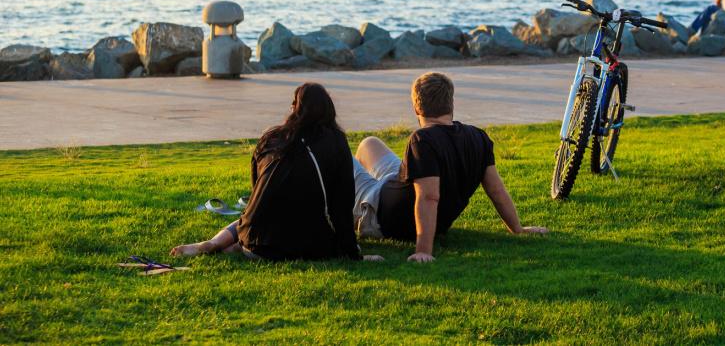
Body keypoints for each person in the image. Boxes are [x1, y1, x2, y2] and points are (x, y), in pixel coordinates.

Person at [352, 72, 547, 262]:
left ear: (416, 108)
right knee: (369, 143)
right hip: (394, 185)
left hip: (378, 212)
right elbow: (496, 190)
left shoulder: (422, 140)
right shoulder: (478, 137)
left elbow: (429, 197)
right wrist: (517, 229)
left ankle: (342, 213)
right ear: (451, 103)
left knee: (346, 157)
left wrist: (424, 251)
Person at [171, 83, 370, 262]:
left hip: (254, 239)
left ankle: (216, 243)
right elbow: (341, 206)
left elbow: (256, 190)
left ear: (294, 108)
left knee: (249, 217)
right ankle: (236, 247)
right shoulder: (336, 140)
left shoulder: (272, 137)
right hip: (303, 246)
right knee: (307, 224)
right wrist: (353, 252)